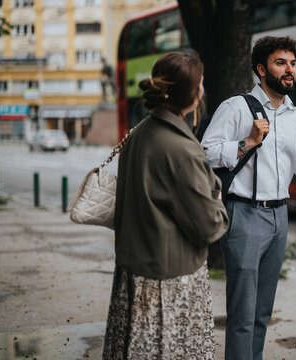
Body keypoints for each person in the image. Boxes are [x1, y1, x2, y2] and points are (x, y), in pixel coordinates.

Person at [201, 36, 296, 360]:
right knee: (243, 313)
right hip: (243, 214)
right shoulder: (235, 107)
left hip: (279, 217)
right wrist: (248, 141)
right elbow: (203, 154)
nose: (289, 70)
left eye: (292, 63)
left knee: (263, 312)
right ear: (261, 69)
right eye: (281, 63)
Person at [102, 51, 229, 359]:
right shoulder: (182, 149)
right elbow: (209, 225)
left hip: (133, 274)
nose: (202, 90)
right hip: (170, 282)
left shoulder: (138, 134)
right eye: (199, 84)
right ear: (192, 94)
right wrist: (218, 198)